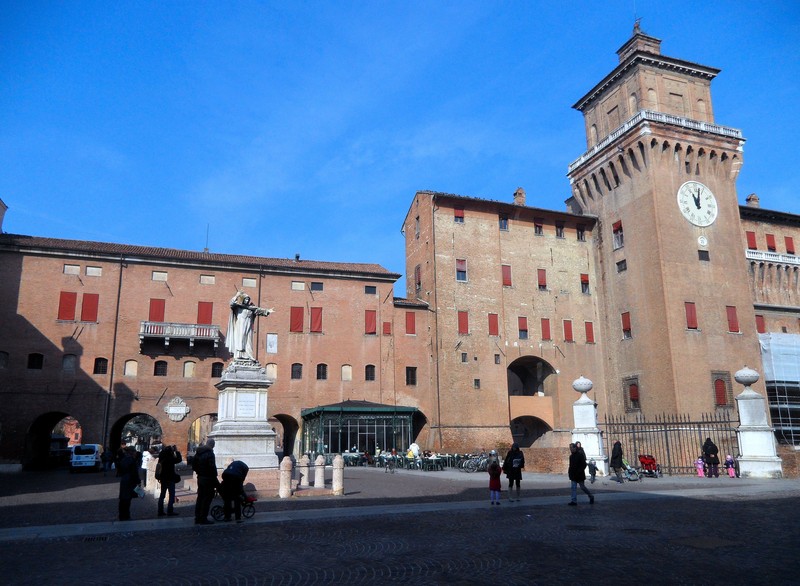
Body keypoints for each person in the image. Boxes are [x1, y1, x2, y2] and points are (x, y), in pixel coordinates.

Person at [226, 291, 273, 362]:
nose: (247, 301)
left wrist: (268, 311)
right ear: (243, 300)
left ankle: (249, 355)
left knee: (248, 340)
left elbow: (259, 311)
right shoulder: (238, 307)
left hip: (249, 326)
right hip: (240, 325)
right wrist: (237, 296)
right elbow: (231, 303)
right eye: (245, 299)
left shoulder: (251, 308)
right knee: (240, 339)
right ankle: (239, 355)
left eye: (248, 299)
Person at [192, 439, 219, 525]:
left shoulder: (198, 453)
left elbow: (194, 465)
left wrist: (199, 472)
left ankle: (197, 518)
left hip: (200, 478)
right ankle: (203, 518)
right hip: (208, 478)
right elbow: (212, 467)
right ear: (212, 445)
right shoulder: (210, 454)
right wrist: (215, 476)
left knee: (200, 498)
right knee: (207, 498)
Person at [157, 445, 182, 517]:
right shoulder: (170, 458)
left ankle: (160, 511)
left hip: (163, 478)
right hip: (170, 478)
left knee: (162, 495)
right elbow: (179, 459)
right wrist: (176, 451)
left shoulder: (162, 456)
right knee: (171, 495)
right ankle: (170, 511)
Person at [117, 446, 141, 521]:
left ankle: (121, 515)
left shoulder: (123, 459)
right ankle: (126, 515)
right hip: (130, 480)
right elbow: (134, 472)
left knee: (123, 499)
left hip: (124, 479)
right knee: (127, 499)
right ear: (132, 452)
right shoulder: (132, 460)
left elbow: (119, 470)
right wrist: (138, 481)